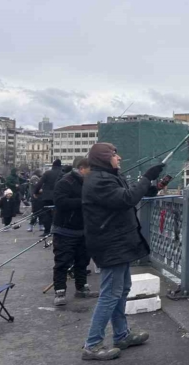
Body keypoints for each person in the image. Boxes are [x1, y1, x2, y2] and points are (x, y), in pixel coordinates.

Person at [80, 143, 164, 361]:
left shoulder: (107, 177)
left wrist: (151, 186)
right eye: (115, 155)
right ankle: (92, 344)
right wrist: (146, 177)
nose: (119, 158)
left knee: (122, 288)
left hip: (118, 241)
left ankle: (121, 335)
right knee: (110, 293)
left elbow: (126, 194)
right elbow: (127, 199)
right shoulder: (99, 180)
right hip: (110, 243)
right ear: (103, 158)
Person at [52, 157, 99, 306]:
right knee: (62, 262)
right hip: (65, 230)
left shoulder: (89, 183)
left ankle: (82, 288)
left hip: (84, 230)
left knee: (82, 261)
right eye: (91, 170)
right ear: (82, 169)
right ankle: (60, 291)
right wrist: (84, 201)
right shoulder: (65, 182)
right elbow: (60, 202)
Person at [34, 159, 64, 236]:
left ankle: (47, 231)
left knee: (46, 213)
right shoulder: (62, 173)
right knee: (58, 213)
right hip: (58, 197)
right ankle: (57, 230)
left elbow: (39, 183)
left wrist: (36, 192)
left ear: (53, 165)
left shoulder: (47, 173)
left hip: (46, 197)